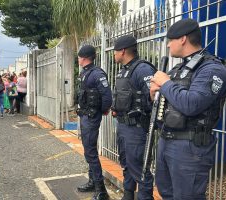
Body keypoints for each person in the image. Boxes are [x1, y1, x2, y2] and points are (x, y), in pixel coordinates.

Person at [150, 18, 226, 200]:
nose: (168, 45)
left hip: (190, 148)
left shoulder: (212, 69)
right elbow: (168, 102)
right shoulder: (178, 68)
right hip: (167, 141)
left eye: (170, 40)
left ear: (182, 39)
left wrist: (166, 84)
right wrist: (154, 95)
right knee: (166, 192)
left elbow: (192, 104)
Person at [112, 35, 156, 200]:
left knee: (139, 168)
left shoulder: (143, 69)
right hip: (123, 126)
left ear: (122, 51)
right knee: (126, 164)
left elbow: (154, 100)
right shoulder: (124, 70)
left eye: (115, 51)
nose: (114, 54)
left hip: (136, 128)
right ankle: (128, 195)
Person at [76, 45, 112, 200]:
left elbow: (107, 97)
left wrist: (102, 110)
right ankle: (92, 181)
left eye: (78, 57)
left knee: (90, 152)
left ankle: (101, 190)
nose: (77, 59)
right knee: (88, 150)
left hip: (91, 117)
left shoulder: (97, 74)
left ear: (83, 57)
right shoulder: (85, 73)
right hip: (85, 116)